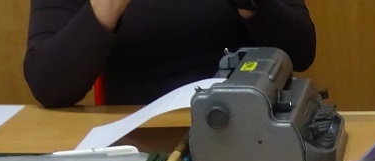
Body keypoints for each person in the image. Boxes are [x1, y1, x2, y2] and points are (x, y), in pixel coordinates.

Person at [24, 0, 316, 109]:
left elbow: (301, 52)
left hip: (249, 127)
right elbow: (49, 85)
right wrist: (107, 6)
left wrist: (252, 4)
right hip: (141, 143)